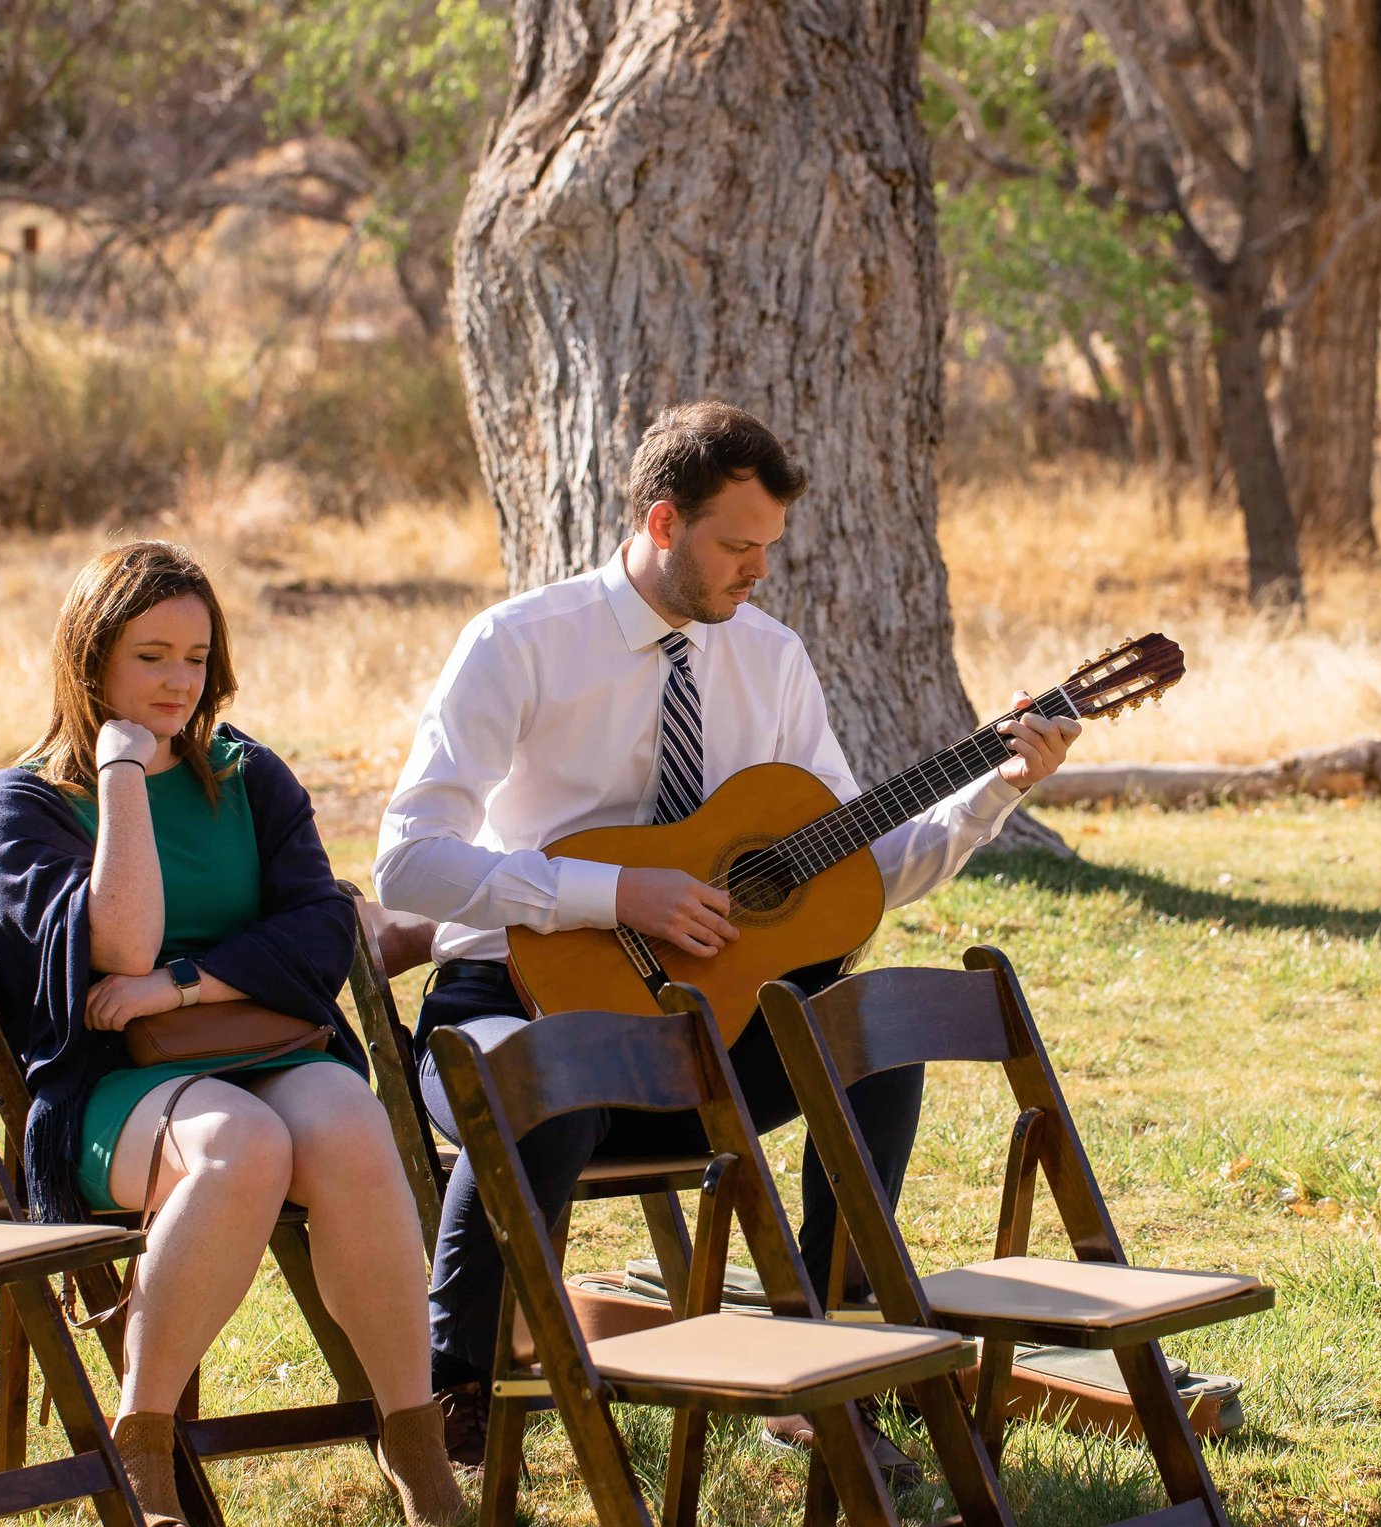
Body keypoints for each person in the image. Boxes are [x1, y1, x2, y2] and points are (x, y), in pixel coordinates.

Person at [375, 402, 1081, 1469]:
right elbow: (408, 861)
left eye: (769, 547)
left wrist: (990, 791)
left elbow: (860, 870)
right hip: (511, 999)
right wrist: (609, 893)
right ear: (663, 522)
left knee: (870, 1050)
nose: (757, 571)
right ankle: (458, 1397)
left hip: (702, 1034)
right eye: (736, 545)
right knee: (546, 1075)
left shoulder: (771, 657)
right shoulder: (519, 643)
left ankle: (823, 1349)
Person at [0, 540, 461, 1527]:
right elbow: (119, 939)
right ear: (89, 658)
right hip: (112, 1090)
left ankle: (412, 1434)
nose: (179, 681)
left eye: (195, 657)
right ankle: (142, 1436)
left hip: (267, 1043)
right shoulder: (16, 806)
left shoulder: (251, 775)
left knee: (356, 1129)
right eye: (152, 655)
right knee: (240, 1143)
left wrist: (179, 983)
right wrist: (120, 776)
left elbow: (320, 930)